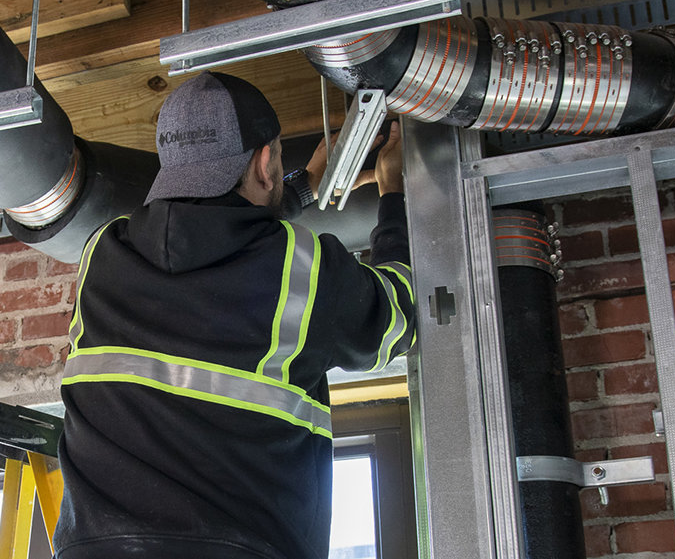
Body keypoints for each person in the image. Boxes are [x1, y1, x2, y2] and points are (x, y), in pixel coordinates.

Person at [53, 72, 416, 559]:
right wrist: (394, 194)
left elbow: (217, 232)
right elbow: (400, 317)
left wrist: (302, 187)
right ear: (266, 162)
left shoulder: (102, 254)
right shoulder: (305, 269)